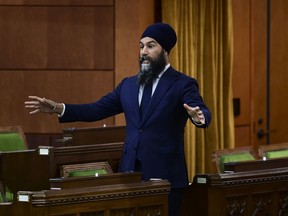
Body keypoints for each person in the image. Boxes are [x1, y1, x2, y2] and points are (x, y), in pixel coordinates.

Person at [25, 22, 211, 216]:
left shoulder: (182, 84)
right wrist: (58, 108)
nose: (143, 52)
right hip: (129, 175)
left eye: (151, 45)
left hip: (166, 176)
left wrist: (199, 117)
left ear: (165, 50)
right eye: (141, 46)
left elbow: (201, 111)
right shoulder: (128, 85)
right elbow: (96, 109)